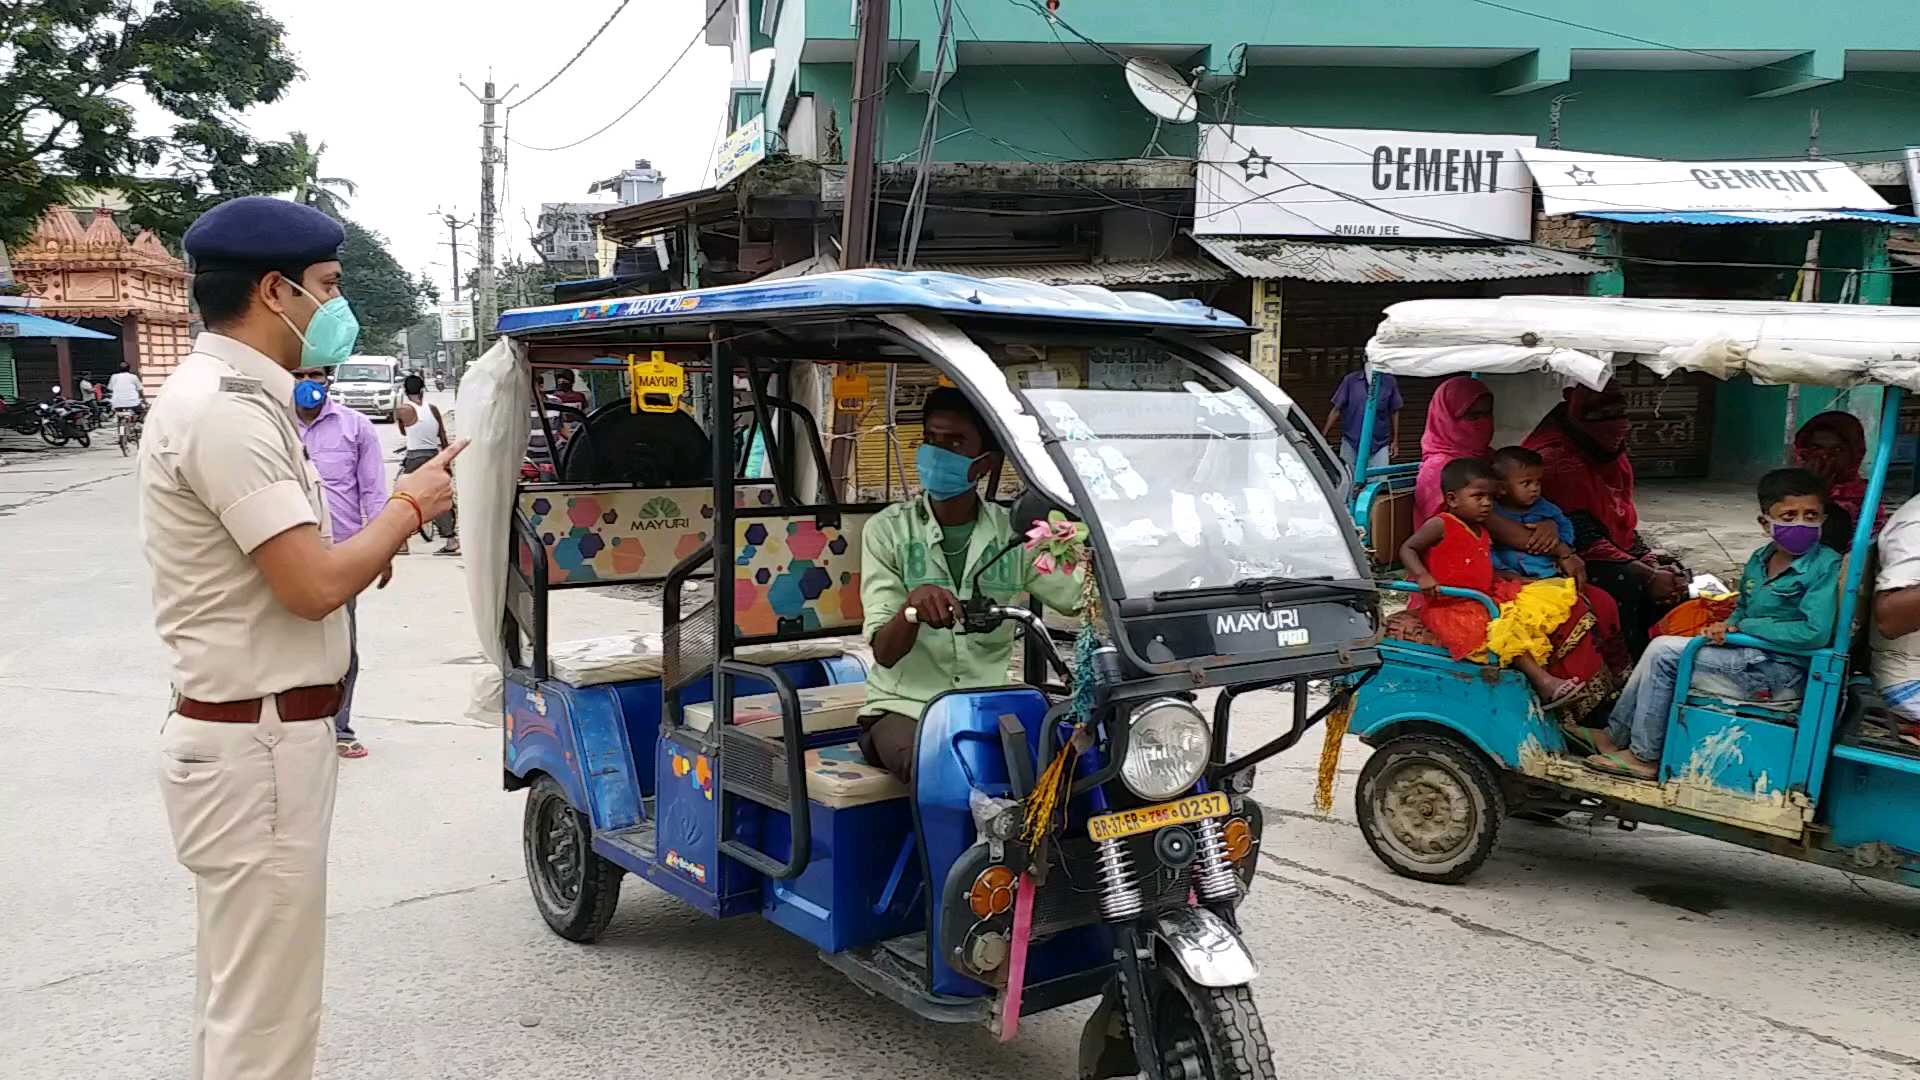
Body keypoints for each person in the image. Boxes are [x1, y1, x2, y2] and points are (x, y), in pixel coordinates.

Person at [143, 195, 462, 1080]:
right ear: (275, 290)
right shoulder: (229, 413)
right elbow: (314, 586)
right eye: (327, 286)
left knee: (244, 998)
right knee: (267, 1020)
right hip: (260, 743)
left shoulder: (236, 400)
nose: (335, 306)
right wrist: (410, 507)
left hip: (257, 734)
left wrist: (369, 546)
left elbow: (299, 566)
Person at [858, 387, 1082, 782]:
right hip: (904, 707)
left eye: (955, 442)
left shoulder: (1016, 535)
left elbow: (1080, 598)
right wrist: (911, 610)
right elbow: (884, 651)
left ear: (985, 462)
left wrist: (1080, 539)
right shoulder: (887, 531)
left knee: (1072, 761)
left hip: (989, 702)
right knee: (942, 767)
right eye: (931, 439)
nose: (937, 452)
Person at [1586, 469, 1840, 780]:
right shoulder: (1760, 560)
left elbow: (1814, 633)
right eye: (1789, 516)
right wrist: (1729, 624)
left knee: (1665, 655)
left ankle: (1644, 755)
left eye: (1810, 515)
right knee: (1660, 648)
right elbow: (1741, 609)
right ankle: (1615, 736)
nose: (1800, 523)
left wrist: (1747, 626)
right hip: (1748, 657)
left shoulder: (1826, 565)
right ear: (1765, 523)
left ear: (1822, 519)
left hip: (1780, 672)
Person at [1399, 457, 1584, 709]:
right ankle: (1544, 682)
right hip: (1452, 604)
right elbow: (1408, 548)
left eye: (1490, 498)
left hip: (1482, 595)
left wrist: (1518, 580)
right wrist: (1422, 575)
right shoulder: (1441, 524)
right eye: (1478, 497)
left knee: (1529, 607)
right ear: (1452, 499)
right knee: (1501, 628)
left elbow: (1479, 568)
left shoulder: (1481, 529)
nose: (1487, 504)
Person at [1524, 385, 1687, 657]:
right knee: (1626, 583)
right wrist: (1646, 573)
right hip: (1557, 553)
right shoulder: (1555, 459)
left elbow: (1620, 523)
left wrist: (1650, 562)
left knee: (1673, 575)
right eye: (1602, 414)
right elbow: (1581, 533)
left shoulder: (1608, 454)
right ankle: (1625, 671)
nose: (1617, 424)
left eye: (1619, 412)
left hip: (1598, 548)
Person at [293, 368, 391, 760]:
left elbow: (373, 490)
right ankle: (291, 728)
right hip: (279, 550)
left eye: (316, 374)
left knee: (342, 646)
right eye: (299, 373)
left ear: (329, 379)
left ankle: (340, 726)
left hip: (341, 554)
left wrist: (383, 548)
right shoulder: (267, 426)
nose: (308, 381)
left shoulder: (356, 427)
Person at [1488, 446, 1583, 581]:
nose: (1535, 488)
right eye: (1526, 483)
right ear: (1502, 488)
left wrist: (1559, 539)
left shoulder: (1545, 509)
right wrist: (1501, 570)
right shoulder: (1491, 511)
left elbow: (1565, 526)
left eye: (1538, 482)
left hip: (1546, 573)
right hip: (1509, 575)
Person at [1413, 376, 1491, 526]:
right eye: (1472, 416)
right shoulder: (1438, 469)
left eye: (1487, 414)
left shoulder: (1489, 457)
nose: (1482, 423)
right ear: (1446, 419)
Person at [1794, 410, 1880, 544]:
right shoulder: (1788, 487)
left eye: (1837, 450)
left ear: (1854, 454)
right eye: (1816, 448)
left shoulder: (1867, 498)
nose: (1825, 456)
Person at [397, 373, 458, 555]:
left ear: (405, 391)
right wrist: (446, 461)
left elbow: (403, 432)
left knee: (404, 499)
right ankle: (451, 540)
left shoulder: (403, 410)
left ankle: (402, 542)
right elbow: (443, 436)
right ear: (423, 390)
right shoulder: (433, 409)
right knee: (438, 499)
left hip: (415, 458)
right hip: (434, 457)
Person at [1323, 368, 1400, 499]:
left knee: (1377, 486)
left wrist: (1395, 440)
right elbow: (1337, 409)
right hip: (1351, 440)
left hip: (1379, 442)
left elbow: (1395, 411)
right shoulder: (1350, 381)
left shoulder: (1389, 381)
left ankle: (1372, 517)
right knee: (1347, 483)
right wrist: (1323, 435)